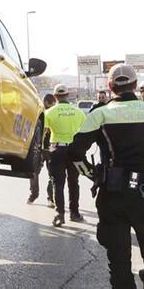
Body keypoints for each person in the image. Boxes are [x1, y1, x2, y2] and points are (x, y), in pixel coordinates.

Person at [69, 64, 144, 289]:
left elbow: (75, 154)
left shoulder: (99, 113)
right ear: (136, 85)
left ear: (110, 87)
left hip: (113, 193)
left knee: (119, 262)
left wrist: (93, 175)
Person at [44, 84, 86, 226]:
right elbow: (85, 131)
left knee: (58, 183)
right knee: (74, 182)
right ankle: (74, 213)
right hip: (74, 151)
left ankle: (59, 214)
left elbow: (42, 131)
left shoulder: (49, 112)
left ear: (55, 96)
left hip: (57, 150)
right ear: (68, 95)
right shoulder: (79, 112)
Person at [27, 93, 56, 206]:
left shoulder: (49, 113)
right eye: (49, 105)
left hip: (46, 148)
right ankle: (41, 196)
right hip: (43, 148)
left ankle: (42, 196)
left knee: (47, 173)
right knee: (37, 172)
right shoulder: (41, 113)